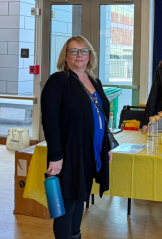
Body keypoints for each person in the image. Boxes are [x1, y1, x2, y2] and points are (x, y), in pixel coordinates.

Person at [41, 36, 113, 239]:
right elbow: (50, 121)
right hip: (69, 154)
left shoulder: (94, 81)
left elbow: (101, 117)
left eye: (84, 51)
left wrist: (105, 146)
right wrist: (56, 156)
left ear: (90, 55)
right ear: (66, 55)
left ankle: (75, 235)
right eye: (73, 51)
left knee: (79, 200)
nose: (79, 55)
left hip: (90, 153)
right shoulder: (58, 81)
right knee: (66, 205)